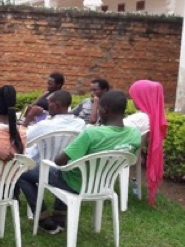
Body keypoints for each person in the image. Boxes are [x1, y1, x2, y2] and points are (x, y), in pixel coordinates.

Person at [18, 91, 141, 234]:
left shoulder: (92, 134)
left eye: (99, 108)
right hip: (103, 184)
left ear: (105, 109)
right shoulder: (134, 134)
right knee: (64, 171)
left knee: (22, 172)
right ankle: (59, 217)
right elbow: (128, 161)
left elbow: (59, 161)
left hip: (76, 183)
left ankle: (43, 219)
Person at [125, 80, 167, 206]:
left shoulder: (140, 118)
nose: (133, 101)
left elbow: (115, 129)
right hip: (133, 155)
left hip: (120, 154)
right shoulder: (153, 117)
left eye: (134, 97)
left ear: (143, 98)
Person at [23, 90, 85, 164]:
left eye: (49, 103)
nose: (48, 106)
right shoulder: (80, 123)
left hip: (36, 166)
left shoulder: (45, 125)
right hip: (63, 168)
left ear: (57, 106)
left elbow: (21, 139)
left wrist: (29, 116)